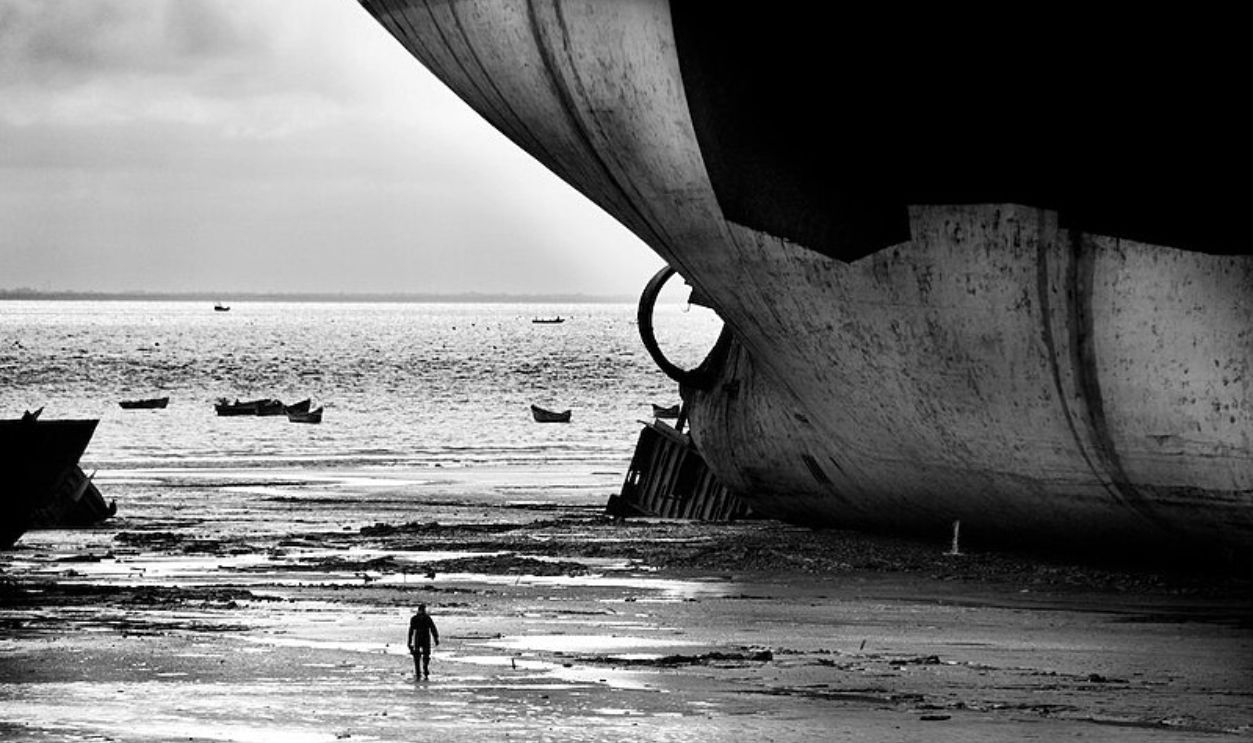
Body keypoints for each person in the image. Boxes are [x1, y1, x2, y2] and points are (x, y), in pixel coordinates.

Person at [407, 603, 439, 680]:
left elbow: (411, 631)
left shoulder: (416, 618)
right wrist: (436, 638)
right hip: (424, 638)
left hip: (419, 638)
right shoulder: (426, 618)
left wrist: (409, 641)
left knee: (420, 655)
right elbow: (433, 628)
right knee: (423, 655)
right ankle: (423, 669)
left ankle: (421, 670)